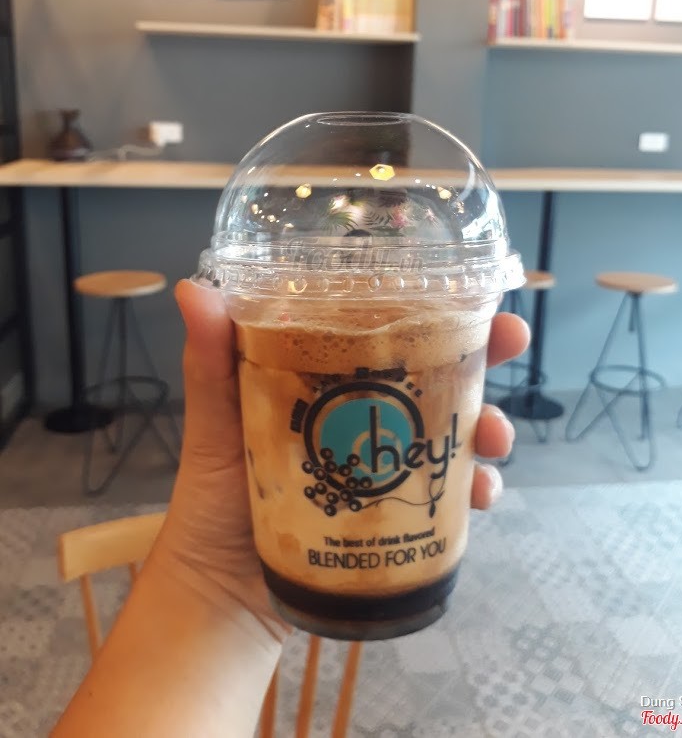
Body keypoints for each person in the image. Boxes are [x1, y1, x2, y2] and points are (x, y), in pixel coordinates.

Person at [53, 279, 530, 737]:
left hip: (425, 555)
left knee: (461, 444)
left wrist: (213, 590)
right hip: (275, 569)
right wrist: (215, 583)